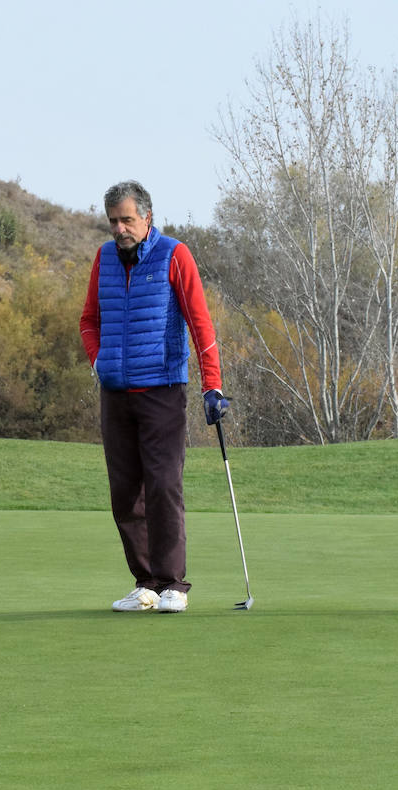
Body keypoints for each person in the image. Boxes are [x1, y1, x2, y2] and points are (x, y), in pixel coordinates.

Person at [79, 180, 228, 614]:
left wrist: (212, 384)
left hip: (162, 390)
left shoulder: (174, 255)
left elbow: (200, 324)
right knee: (125, 493)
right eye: (113, 221)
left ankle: (173, 585)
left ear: (147, 217)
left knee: (164, 486)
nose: (120, 229)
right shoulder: (105, 257)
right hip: (116, 394)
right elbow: (89, 319)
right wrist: (99, 362)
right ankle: (145, 583)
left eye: (127, 219)